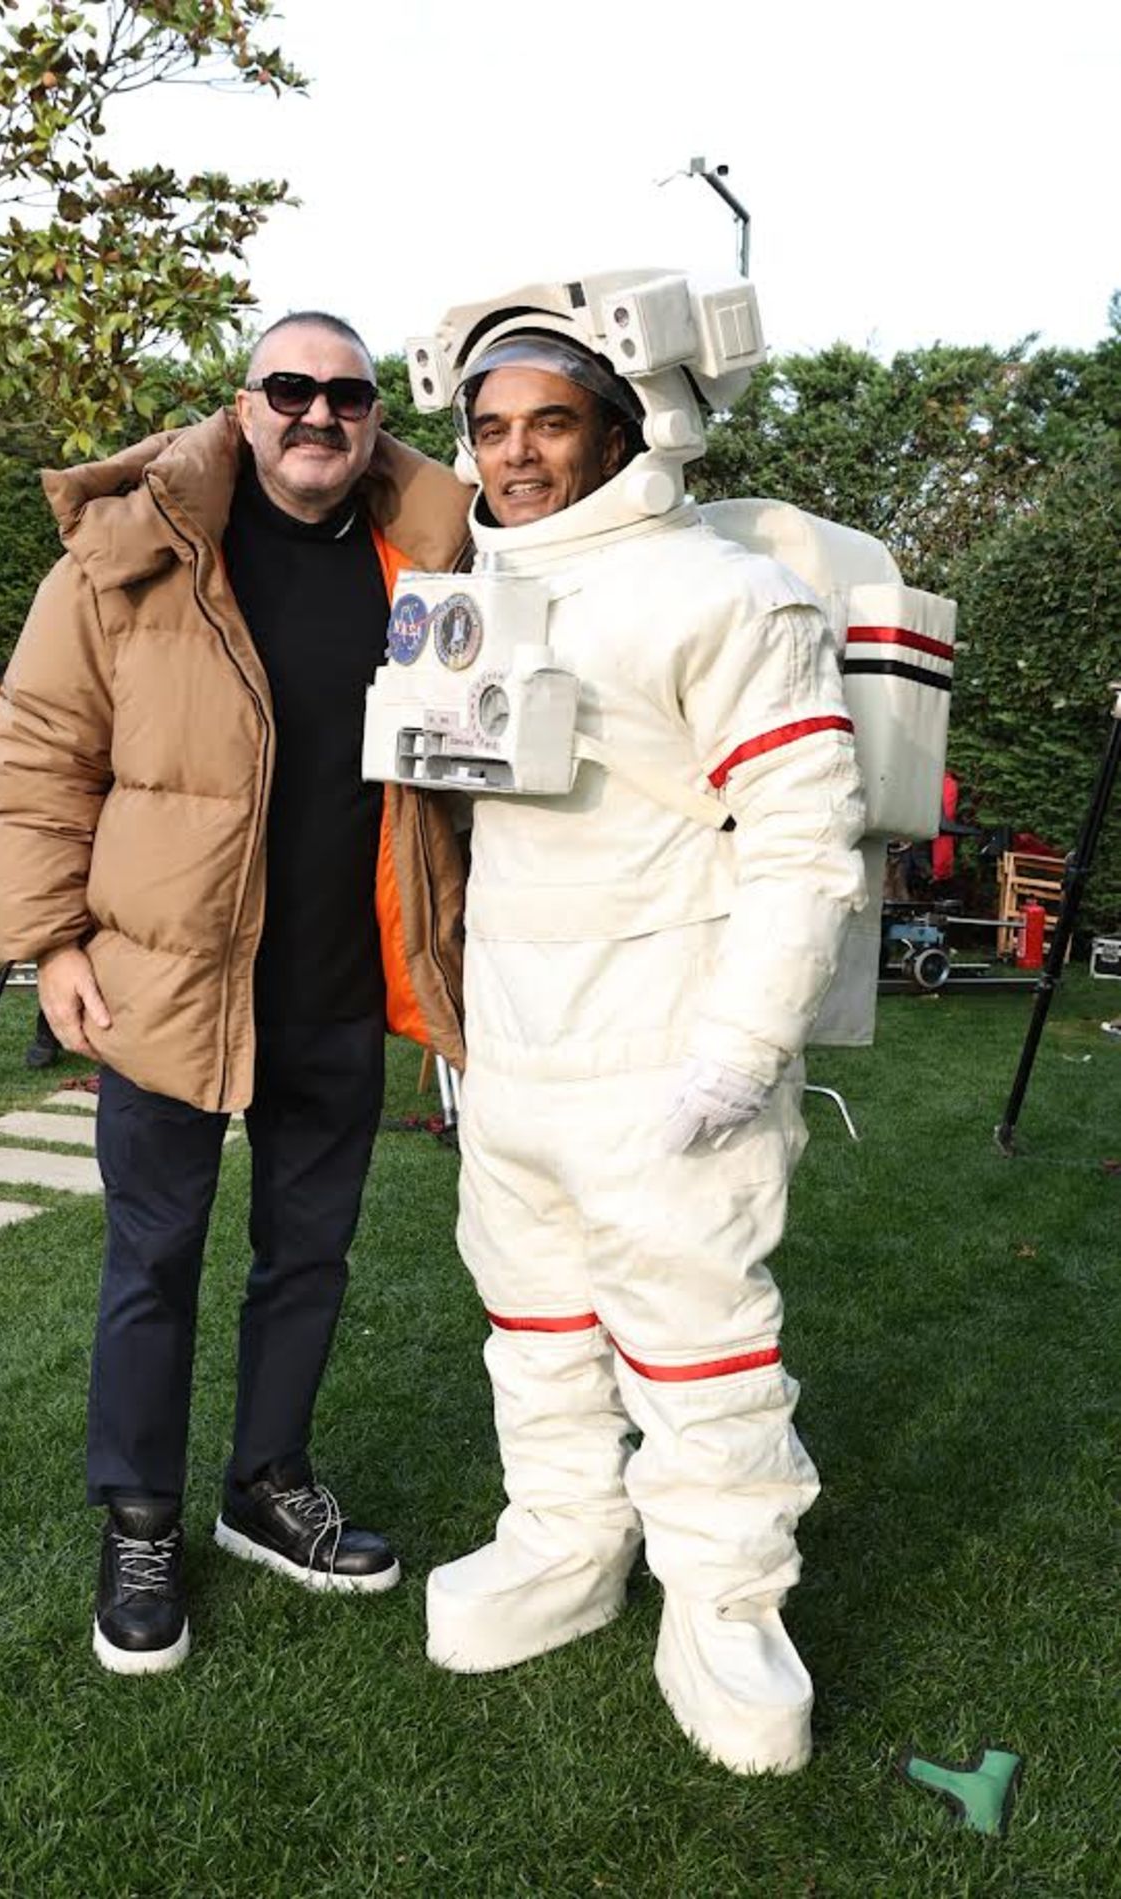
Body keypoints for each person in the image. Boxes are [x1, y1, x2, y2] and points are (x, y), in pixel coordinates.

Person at [0, 312, 468, 1674]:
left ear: (375, 418)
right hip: (163, 979)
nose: (320, 413)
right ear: (244, 407)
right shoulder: (135, 549)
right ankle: (139, 1518)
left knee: (308, 1254)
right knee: (154, 1256)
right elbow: (38, 752)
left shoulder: (433, 555)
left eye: (348, 395)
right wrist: (53, 943)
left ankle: (267, 1483)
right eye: (290, 388)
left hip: (338, 981)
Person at [414, 320, 866, 1775]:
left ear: (628, 429)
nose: (515, 454)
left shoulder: (723, 594)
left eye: (549, 422)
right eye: (491, 427)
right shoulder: (473, 595)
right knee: (535, 1328)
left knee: (697, 1353)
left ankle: (727, 1610)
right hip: (514, 1054)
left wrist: (741, 1044)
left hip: (667, 1057)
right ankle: (562, 1540)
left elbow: (802, 837)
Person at [0, 658, 61, 1066]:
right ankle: (48, 1034)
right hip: (35, 832)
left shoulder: (54, 718)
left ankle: (51, 1031)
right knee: (52, 931)